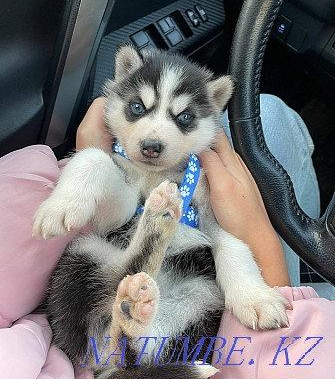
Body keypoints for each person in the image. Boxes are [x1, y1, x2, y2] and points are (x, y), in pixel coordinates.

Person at [0, 94, 334, 378]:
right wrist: (262, 240)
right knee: (271, 114)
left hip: (97, 336)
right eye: (139, 109)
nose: (154, 138)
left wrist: (88, 167)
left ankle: (140, 281)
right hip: (242, 349)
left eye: (184, 117)